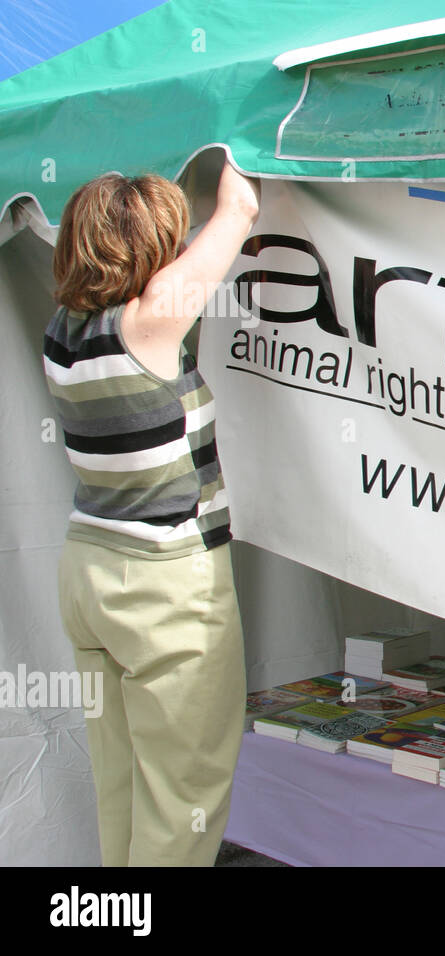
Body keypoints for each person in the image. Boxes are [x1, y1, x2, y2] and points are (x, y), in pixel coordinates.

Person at [43, 158, 259, 865]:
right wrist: (241, 134)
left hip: (90, 573)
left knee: (124, 787)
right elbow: (239, 213)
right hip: (164, 585)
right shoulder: (150, 325)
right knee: (182, 803)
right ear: (150, 249)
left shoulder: (64, 332)